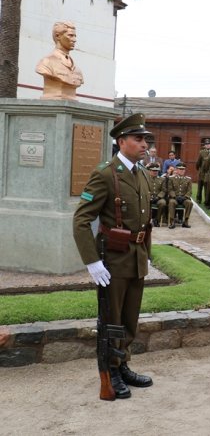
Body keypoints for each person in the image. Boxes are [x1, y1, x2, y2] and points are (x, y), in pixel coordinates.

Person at [72, 113, 154, 400]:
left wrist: (148, 254)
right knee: (112, 319)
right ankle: (111, 371)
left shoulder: (143, 173)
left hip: (136, 257)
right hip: (113, 258)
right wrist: (92, 261)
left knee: (130, 318)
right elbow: (82, 219)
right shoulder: (106, 173)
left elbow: (147, 222)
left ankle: (123, 363)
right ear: (122, 141)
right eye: (138, 139)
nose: (145, 144)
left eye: (145, 139)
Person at [35, 21, 84, 100]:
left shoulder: (77, 70)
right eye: (70, 35)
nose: (75, 40)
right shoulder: (46, 63)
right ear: (58, 36)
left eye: (75, 36)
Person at [167, 163, 193, 228]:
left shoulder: (188, 179)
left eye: (183, 169)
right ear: (177, 170)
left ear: (185, 170)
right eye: (180, 169)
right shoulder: (171, 178)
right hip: (174, 197)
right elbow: (170, 189)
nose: (182, 171)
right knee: (171, 202)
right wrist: (174, 196)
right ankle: (172, 221)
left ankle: (186, 221)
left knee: (190, 203)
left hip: (184, 198)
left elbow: (189, 191)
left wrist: (185, 197)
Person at [146, 162, 166, 227]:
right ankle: (146, 220)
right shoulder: (146, 179)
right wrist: (149, 196)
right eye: (153, 170)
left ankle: (157, 219)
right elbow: (144, 189)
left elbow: (164, 190)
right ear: (149, 171)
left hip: (158, 198)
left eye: (156, 170)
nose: (155, 172)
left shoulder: (162, 179)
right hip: (148, 197)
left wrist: (158, 197)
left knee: (162, 203)